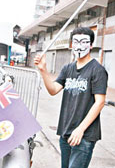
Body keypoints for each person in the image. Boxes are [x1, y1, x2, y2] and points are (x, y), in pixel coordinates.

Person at [34, 27, 108, 168]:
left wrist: (81, 129)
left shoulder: (98, 70)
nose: (79, 46)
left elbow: (100, 102)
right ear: (71, 44)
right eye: (76, 42)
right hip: (66, 131)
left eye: (84, 42)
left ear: (91, 45)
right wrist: (43, 70)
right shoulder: (67, 68)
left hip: (84, 135)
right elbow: (53, 89)